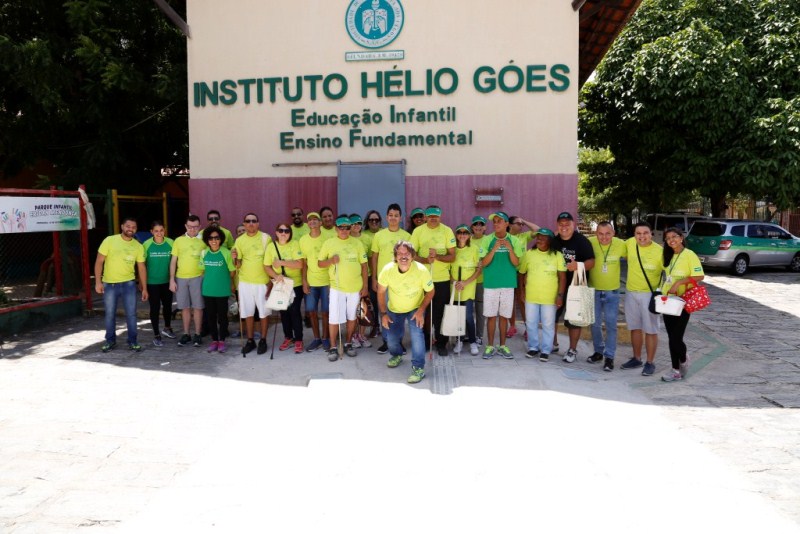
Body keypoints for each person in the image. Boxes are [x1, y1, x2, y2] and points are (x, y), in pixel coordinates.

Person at [377, 240, 435, 384]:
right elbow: (381, 291)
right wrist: (383, 314)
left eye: (407, 253)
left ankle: (418, 368)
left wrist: (421, 310)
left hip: (415, 308)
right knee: (391, 338)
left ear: (413, 256)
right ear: (395, 256)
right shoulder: (387, 270)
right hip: (394, 309)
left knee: (417, 336)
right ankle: (396, 355)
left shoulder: (421, 270)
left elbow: (430, 291)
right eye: (400, 253)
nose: (403, 256)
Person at [318, 215, 368, 361]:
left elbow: (364, 266)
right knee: (334, 318)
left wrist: (365, 286)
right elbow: (320, 263)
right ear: (336, 228)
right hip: (337, 288)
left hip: (355, 288)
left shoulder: (357, 243)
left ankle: (348, 343)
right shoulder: (329, 243)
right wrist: (331, 261)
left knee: (352, 317)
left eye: (347, 227)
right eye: (341, 227)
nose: (344, 230)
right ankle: (333, 347)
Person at [94, 217, 148, 352]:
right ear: (122, 226)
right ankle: (110, 341)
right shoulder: (110, 240)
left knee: (131, 314)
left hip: (129, 285)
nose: (131, 229)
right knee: (110, 314)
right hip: (110, 285)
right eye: (128, 226)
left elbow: (141, 267)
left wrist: (144, 287)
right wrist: (98, 282)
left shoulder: (138, 246)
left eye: (134, 227)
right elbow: (99, 261)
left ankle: (133, 341)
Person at [410, 205, 456, 356]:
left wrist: (437, 257)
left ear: (440, 216)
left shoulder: (447, 230)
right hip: (422, 278)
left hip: (441, 279)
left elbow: (452, 256)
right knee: (423, 312)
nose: (433, 219)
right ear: (425, 217)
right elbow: (412, 254)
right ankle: (425, 341)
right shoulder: (418, 231)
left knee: (440, 313)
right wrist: (425, 260)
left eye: (436, 216)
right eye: (430, 216)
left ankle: (441, 343)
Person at [660, 227, 704, 382]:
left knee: (677, 337)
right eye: (668, 238)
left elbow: (699, 275)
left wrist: (680, 282)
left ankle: (684, 359)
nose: (671, 240)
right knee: (671, 337)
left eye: (674, 236)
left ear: (681, 238)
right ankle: (675, 371)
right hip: (667, 299)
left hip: (683, 300)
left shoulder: (689, 255)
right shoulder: (667, 254)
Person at [620, 221, 664, 376]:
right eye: (638, 233)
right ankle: (636, 358)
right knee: (635, 327)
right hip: (631, 293)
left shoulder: (660, 251)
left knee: (651, 330)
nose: (642, 236)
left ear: (651, 233)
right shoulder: (630, 244)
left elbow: (669, 273)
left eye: (645, 233)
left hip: (649, 295)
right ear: (634, 235)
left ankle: (650, 362)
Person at [551, 211, 595, 362]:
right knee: (552, 317)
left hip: (578, 283)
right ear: (557, 225)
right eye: (561, 224)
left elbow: (592, 262)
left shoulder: (582, 241)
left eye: (567, 224)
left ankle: (572, 350)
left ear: (573, 224)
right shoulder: (554, 241)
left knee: (574, 320)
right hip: (556, 286)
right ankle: (553, 343)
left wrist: (579, 265)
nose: (564, 227)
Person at [518, 228, 566, 361]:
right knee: (531, 323)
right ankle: (533, 347)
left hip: (549, 298)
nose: (539, 239)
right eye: (538, 237)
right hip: (531, 296)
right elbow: (522, 273)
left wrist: (560, 295)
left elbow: (562, 277)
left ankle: (546, 350)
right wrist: (522, 291)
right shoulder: (529, 254)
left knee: (548, 324)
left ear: (550, 240)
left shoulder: (557, 255)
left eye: (543, 237)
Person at [479, 211, 521, 359]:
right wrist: (494, 248)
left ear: (506, 224)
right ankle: (490, 346)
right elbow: (484, 263)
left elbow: (516, 263)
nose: (496, 224)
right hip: (491, 284)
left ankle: (503, 346)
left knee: (504, 316)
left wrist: (509, 248)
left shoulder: (515, 241)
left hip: (508, 284)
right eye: (494, 221)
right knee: (491, 316)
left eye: (499, 221)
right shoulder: (487, 240)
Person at [370, 203, 411, 354]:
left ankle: (398, 342)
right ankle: (386, 341)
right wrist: (374, 278)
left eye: (396, 215)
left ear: (401, 218)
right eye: (391, 215)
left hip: (401, 281)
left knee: (398, 312)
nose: (393, 218)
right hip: (383, 281)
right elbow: (374, 257)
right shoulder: (379, 235)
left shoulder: (407, 236)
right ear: (386, 217)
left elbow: (410, 258)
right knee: (384, 311)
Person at [586, 221, 627, 371]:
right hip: (593, 290)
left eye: (607, 234)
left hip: (612, 292)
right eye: (600, 234)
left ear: (614, 233)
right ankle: (598, 351)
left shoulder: (621, 244)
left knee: (611, 325)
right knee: (595, 324)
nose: (604, 237)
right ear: (596, 233)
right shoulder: (589, 242)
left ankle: (609, 357)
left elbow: (636, 256)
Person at [232, 212, 272, 355]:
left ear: (258, 223)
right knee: (248, 312)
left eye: (253, 221)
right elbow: (238, 264)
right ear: (244, 224)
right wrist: (235, 258)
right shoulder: (240, 240)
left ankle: (263, 340)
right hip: (245, 282)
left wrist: (271, 282)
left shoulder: (265, 238)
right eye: (247, 221)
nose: (250, 223)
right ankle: (250, 340)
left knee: (263, 313)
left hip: (262, 282)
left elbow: (271, 260)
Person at [264, 223, 305, 353]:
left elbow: (299, 264)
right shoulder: (271, 247)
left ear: (290, 233)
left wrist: (281, 262)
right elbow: (266, 266)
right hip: (280, 284)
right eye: (280, 230)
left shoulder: (294, 244)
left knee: (294, 311)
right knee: (283, 312)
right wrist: (276, 276)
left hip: (295, 283)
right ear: (276, 232)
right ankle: (288, 337)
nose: (283, 233)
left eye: (286, 231)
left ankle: (298, 339)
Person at [169, 214, 207, 347]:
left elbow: (207, 260)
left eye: (195, 227)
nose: (192, 230)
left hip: (198, 277)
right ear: (186, 226)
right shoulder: (178, 241)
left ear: (199, 227)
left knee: (198, 307)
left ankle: (197, 334)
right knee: (184, 307)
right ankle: (186, 334)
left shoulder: (204, 241)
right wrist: (171, 280)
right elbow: (173, 261)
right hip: (181, 278)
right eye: (190, 227)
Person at [299, 211, 332, 352]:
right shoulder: (303, 240)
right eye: (310, 219)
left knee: (325, 311)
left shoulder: (329, 238)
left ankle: (325, 338)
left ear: (320, 223)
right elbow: (303, 263)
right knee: (311, 311)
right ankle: (316, 338)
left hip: (326, 281)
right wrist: (304, 281)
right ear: (308, 224)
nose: (312, 221)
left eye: (315, 219)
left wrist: (332, 282)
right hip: (311, 282)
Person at [200, 226, 236, 353]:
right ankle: (214, 340)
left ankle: (222, 341)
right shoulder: (204, 253)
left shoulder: (226, 252)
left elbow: (232, 272)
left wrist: (226, 282)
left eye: (216, 238)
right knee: (210, 317)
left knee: (222, 317)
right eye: (210, 238)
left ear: (220, 239)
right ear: (207, 240)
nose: (214, 240)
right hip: (208, 290)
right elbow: (203, 271)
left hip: (222, 290)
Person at [142, 220, 175, 346]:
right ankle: (156, 334)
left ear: (164, 230)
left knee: (167, 306)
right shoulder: (146, 244)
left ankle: (167, 328)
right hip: (152, 282)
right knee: (154, 308)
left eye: (161, 230)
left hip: (167, 281)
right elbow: (142, 265)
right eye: (156, 231)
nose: (159, 233)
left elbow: (175, 261)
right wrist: (142, 283)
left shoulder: (171, 243)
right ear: (151, 232)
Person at [507, 215, 540, 338]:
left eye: (522, 224)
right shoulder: (505, 237)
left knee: (522, 300)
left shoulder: (523, 236)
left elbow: (538, 230)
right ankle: (512, 327)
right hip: (508, 272)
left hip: (522, 273)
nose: (521, 226)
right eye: (518, 224)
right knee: (509, 301)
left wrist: (524, 220)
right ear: (510, 225)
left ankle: (528, 328)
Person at [451, 224, 481, 355]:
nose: (462, 235)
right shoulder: (452, 250)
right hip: (455, 288)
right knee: (458, 317)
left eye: (465, 233)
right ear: (456, 235)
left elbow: (478, 270)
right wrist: (455, 282)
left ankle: (473, 342)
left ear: (469, 235)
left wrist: (465, 282)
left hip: (468, 288)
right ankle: (459, 340)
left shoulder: (474, 249)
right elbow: (447, 270)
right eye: (460, 232)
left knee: (468, 316)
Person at [348, 213, 372, 348]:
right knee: (353, 309)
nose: (356, 226)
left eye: (358, 223)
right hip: (352, 279)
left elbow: (369, 259)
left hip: (365, 277)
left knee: (364, 308)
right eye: (353, 223)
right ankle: (352, 336)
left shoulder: (367, 239)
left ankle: (361, 335)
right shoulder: (346, 239)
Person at [470, 215, 490, 344]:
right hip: (468, 280)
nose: (478, 227)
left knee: (480, 310)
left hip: (482, 280)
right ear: (472, 227)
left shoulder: (488, 240)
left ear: (485, 227)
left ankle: (479, 336)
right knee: (466, 309)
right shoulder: (467, 239)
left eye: (481, 224)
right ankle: (466, 334)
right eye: (476, 224)